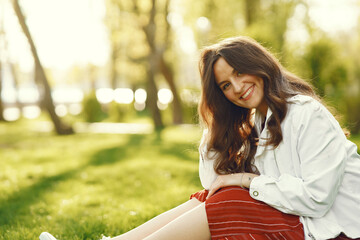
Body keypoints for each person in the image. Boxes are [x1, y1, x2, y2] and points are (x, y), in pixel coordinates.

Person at [40, 36, 360, 240]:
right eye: (224, 86)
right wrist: (220, 119)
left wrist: (247, 180)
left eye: (238, 73)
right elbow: (212, 183)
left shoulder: (306, 113)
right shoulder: (258, 121)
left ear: (258, 64)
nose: (235, 87)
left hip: (336, 230)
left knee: (231, 200)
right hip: (306, 222)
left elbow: (317, 200)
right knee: (212, 197)